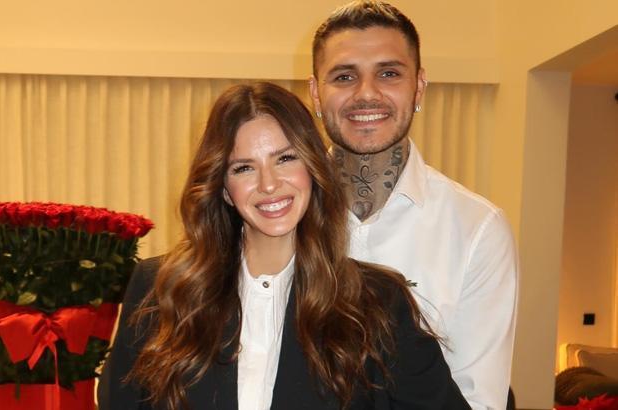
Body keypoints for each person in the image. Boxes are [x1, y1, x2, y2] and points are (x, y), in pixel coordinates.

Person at [98, 82, 469, 409]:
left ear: (313, 169)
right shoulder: (159, 289)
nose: (269, 184)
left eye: (286, 159)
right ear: (224, 188)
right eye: (244, 168)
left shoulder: (378, 302)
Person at [307, 2, 518, 409]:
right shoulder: (279, 217)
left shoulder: (477, 228)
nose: (366, 93)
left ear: (419, 87)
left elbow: (479, 400)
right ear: (316, 93)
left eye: (389, 73)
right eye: (344, 76)